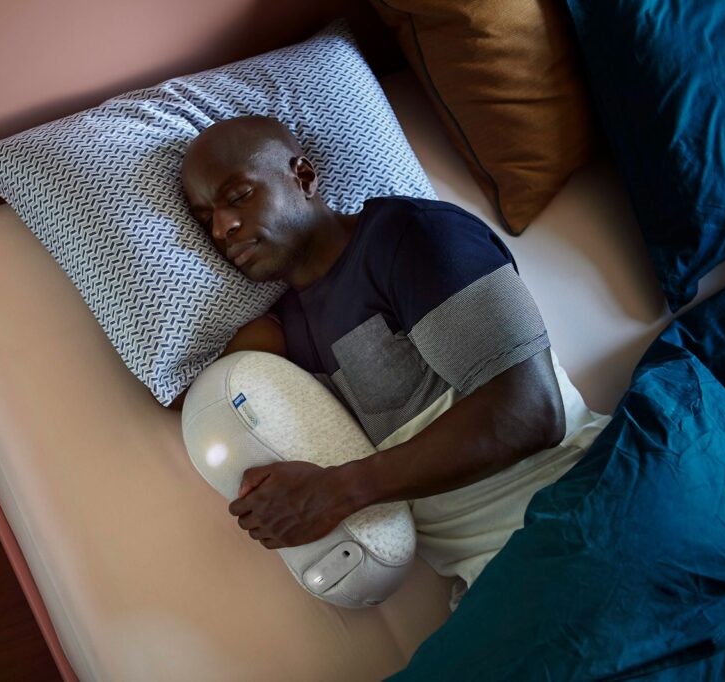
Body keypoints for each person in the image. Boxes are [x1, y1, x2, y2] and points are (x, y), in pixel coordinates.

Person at [179, 115, 609, 603]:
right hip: (494, 583)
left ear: (302, 177)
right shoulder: (283, 332)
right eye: (203, 217)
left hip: (586, 505)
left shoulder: (414, 237)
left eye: (237, 197)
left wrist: (334, 492)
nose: (221, 226)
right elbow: (192, 395)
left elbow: (530, 411)